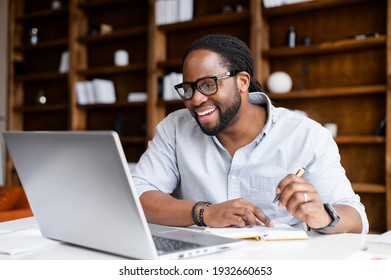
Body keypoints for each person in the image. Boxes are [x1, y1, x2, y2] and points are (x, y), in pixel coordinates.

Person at [132, 34, 368, 234]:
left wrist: (323, 216)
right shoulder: (175, 128)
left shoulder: (306, 135)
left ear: (242, 81)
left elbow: (356, 218)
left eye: (208, 85)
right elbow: (137, 194)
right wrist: (204, 212)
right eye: (188, 88)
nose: (196, 99)